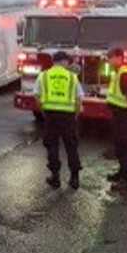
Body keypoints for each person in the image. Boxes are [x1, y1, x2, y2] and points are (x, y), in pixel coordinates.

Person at [34, 51, 84, 190]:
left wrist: (44, 112)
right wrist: (75, 115)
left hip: (50, 115)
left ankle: (55, 177)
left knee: (52, 146)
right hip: (68, 116)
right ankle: (74, 179)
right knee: (71, 146)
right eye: (67, 62)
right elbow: (79, 98)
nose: (68, 64)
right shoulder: (72, 77)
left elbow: (37, 97)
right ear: (63, 62)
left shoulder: (43, 76)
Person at [106, 47, 127, 195]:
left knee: (126, 148)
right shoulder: (118, 72)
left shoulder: (125, 74)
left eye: (110, 58)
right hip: (118, 114)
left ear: (119, 57)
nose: (108, 61)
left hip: (125, 115)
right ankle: (122, 173)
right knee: (120, 145)